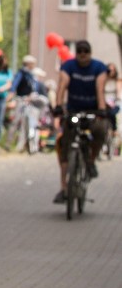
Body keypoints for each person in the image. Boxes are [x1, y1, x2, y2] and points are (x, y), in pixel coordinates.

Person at [52, 40, 108, 203]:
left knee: (100, 129)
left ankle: (91, 161)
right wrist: (58, 105)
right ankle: (64, 188)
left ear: (90, 53)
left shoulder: (99, 67)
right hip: (73, 111)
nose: (83, 54)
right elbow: (62, 85)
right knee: (64, 145)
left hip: (93, 110)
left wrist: (102, 110)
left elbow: (100, 89)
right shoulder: (69, 66)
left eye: (86, 51)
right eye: (79, 51)